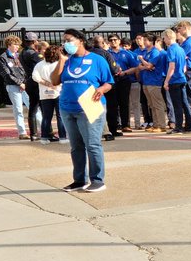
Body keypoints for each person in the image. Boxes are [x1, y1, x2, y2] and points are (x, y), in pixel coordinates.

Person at [51, 28, 112, 192]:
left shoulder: (97, 60)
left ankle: (97, 180)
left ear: (81, 40)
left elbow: (109, 82)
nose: (66, 43)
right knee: (76, 146)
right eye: (64, 41)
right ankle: (79, 180)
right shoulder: (67, 60)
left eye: (69, 40)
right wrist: (61, 61)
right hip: (67, 107)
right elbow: (54, 81)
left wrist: (101, 89)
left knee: (92, 144)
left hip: (89, 105)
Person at [0, 35, 30, 139]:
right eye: (15, 44)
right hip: (13, 86)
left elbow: (26, 70)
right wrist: (19, 83)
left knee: (33, 106)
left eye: (18, 45)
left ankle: (43, 128)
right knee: (18, 109)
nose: (17, 47)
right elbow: (6, 74)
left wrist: (25, 83)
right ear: (9, 45)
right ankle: (22, 132)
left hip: (25, 85)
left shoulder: (20, 56)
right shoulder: (3, 58)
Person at [33, 44, 66, 142]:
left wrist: (46, 83)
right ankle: (63, 137)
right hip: (59, 92)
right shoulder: (59, 64)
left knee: (46, 117)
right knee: (60, 116)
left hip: (45, 93)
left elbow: (35, 77)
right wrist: (54, 84)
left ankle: (44, 137)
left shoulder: (39, 65)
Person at [136, 34, 169, 133]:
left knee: (157, 104)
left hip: (154, 81)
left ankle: (161, 125)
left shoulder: (155, 52)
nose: (144, 42)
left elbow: (149, 66)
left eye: (146, 40)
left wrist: (142, 60)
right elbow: (142, 66)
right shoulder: (147, 52)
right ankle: (156, 124)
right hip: (146, 80)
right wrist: (145, 65)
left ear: (151, 41)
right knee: (151, 105)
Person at [107, 34, 137, 135]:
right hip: (111, 80)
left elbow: (135, 67)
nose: (113, 42)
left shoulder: (127, 53)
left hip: (124, 80)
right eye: (111, 40)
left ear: (119, 41)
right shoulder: (107, 53)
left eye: (115, 40)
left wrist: (125, 72)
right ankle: (114, 125)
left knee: (124, 103)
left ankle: (125, 125)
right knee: (112, 104)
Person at [161, 28, 190, 134]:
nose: (164, 41)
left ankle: (178, 127)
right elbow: (184, 67)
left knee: (176, 105)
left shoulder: (171, 49)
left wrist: (166, 81)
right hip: (182, 78)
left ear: (168, 37)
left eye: (164, 38)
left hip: (175, 80)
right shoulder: (180, 49)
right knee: (184, 103)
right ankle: (189, 125)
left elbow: (171, 66)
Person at [21, 32, 43, 140]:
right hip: (36, 81)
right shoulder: (33, 54)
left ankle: (33, 134)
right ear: (34, 41)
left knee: (33, 108)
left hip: (29, 81)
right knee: (43, 107)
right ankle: (47, 132)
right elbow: (41, 66)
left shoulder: (22, 53)